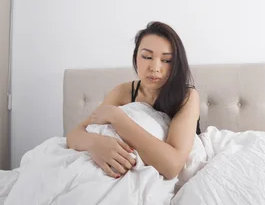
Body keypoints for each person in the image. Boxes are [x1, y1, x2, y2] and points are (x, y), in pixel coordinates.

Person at [66, 21, 201, 180]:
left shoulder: (187, 96)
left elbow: (172, 167)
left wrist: (117, 118)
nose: (155, 68)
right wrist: (95, 143)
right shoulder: (123, 92)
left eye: (166, 60)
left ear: (177, 63)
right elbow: (74, 134)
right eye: (147, 57)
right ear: (136, 57)